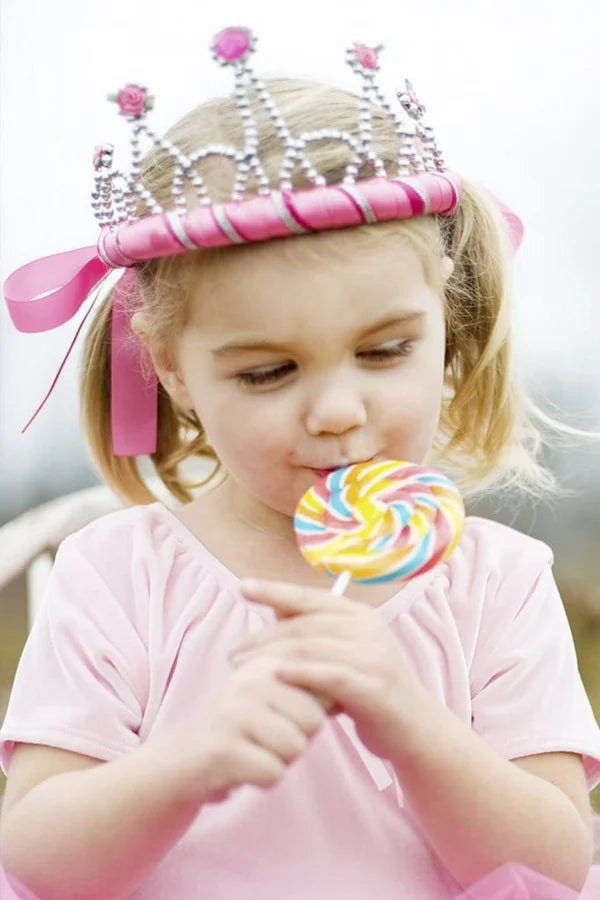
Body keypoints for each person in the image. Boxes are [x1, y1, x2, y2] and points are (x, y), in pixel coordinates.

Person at [1, 25, 599, 900]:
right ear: (174, 371)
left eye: (386, 351)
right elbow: (37, 855)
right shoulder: (120, 574)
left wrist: (413, 725)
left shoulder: (496, 584)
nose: (336, 410)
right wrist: (185, 763)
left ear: (445, 328)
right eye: (268, 371)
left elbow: (555, 862)